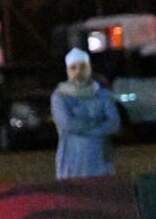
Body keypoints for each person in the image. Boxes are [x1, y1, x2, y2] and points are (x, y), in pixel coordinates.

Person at [51, 47, 122, 179]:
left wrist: (83, 127)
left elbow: (114, 124)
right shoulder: (60, 96)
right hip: (72, 164)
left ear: (89, 68)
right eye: (73, 68)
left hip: (101, 163)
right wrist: (98, 124)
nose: (78, 72)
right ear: (67, 71)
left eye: (82, 67)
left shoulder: (102, 94)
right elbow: (68, 124)